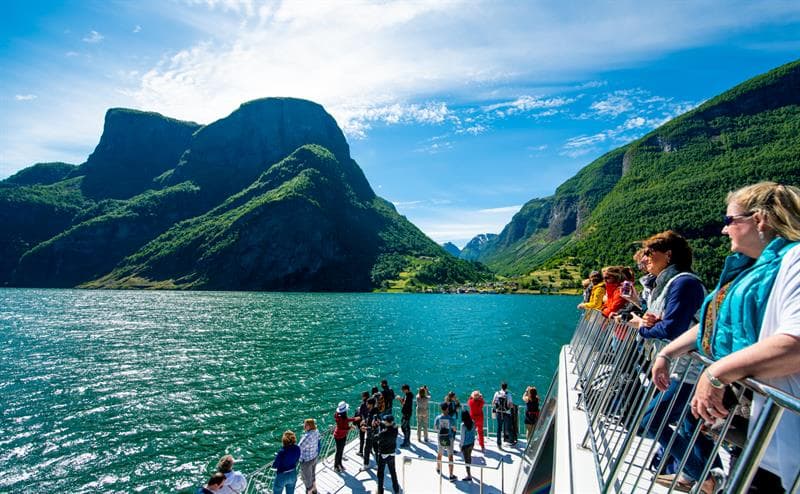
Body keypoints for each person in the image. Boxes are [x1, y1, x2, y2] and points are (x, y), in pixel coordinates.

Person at [653, 182, 800, 493]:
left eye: (730, 221)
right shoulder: (750, 273)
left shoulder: (795, 261)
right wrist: (667, 354)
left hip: (784, 421)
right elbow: (712, 324)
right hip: (755, 421)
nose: (723, 230)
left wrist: (717, 373)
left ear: (759, 219)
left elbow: (796, 343)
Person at [375, 415, 400, 493]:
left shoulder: (383, 433)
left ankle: (380, 491)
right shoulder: (395, 429)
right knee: (393, 472)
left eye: (384, 421)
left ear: (386, 422)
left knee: (380, 473)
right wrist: (381, 423)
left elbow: (375, 438)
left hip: (383, 454)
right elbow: (391, 425)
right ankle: (396, 489)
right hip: (392, 454)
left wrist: (368, 430)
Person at [333, 401, 360, 473]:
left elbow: (347, 420)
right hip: (339, 436)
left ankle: (340, 464)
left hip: (341, 435)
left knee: (341, 450)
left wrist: (353, 419)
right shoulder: (341, 418)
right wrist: (349, 427)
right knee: (339, 451)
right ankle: (336, 466)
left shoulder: (338, 416)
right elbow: (343, 426)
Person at [434, 402, 457, 481]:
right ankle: (451, 475)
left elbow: (436, 428)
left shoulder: (438, 418)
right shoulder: (451, 419)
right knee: (450, 456)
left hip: (441, 438)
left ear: (441, 409)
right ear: (447, 409)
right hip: (449, 438)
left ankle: (438, 468)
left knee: (439, 454)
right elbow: (454, 429)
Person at [298, 418, 320, 494]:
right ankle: (315, 489)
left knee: (307, 479)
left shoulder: (307, 436)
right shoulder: (316, 431)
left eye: (305, 425)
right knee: (312, 474)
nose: (304, 426)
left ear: (309, 426)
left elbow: (299, 448)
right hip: (314, 457)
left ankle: (309, 492)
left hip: (306, 461)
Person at [360, 398, 379, 471]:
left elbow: (374, 426)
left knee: (367, 449)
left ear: (371, 404)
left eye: (367, 403)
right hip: (375, 434)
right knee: (376, 449)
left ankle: (366, 464)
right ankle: (378, 464)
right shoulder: (375, 411)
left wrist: (365, 428)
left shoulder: (373, 414)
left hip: (371, 435)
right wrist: (365, 421)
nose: (366, 404)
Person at [492, 382, 513, 449]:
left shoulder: (497, 393)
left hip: (498, 412)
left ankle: (499, 444)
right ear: (506, 387)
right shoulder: (508, 394)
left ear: (501, 387)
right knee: (508, 427)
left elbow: (493, 403)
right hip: (506, 413)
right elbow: (511, 405)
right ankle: (510, 440)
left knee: (499, 428)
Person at [460, 410, 476, 481]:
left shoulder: (463, 425)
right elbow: (474, 432)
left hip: (465, 445)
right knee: (469, 457)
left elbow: (462, 437)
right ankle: (469, 472)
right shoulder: (473, 422)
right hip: (471, 443)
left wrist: (461, 445)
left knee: (466, 460)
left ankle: (469, 475)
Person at [356, 391, 370, 457]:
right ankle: (370, 449)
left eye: (362, 396)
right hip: (370, 422)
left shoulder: (363, 404)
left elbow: (361, 414)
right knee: (369, 437)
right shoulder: (371, 402)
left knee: (362, 438)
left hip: (363, 423)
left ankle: (361, 451)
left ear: (364, 396)